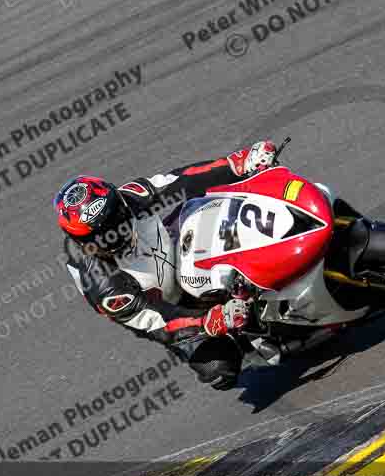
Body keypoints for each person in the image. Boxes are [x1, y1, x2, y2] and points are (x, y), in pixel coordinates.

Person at [54, 141, 278, 390]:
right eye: (103, 234)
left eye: (117, 216)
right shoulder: (105, 287)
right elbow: (158, 322)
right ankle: (248, 338)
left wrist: (238, 163)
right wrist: (206, 321)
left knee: (220, 204)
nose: (117, 231)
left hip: (172, 247)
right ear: (82, 241)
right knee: (219, 369)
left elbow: (180, 181)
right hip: (170, 304)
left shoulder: (130, 197)